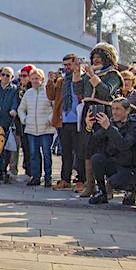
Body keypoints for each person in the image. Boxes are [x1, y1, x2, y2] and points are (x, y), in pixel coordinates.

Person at [73, 43, 123, 198]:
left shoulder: (113, 74)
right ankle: (90, 185)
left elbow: (107, 92)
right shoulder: (89, 74)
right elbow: (78, 91)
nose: (95, 60)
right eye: (93, 57)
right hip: (88, 109)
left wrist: (92, 76)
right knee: (87, 147)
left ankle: (108, 187)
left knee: (105, 148)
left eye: (99, 57)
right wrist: (76, 73)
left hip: (104, 110)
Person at [86, 98, 136, 205]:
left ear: (127, 111)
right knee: (97, 158)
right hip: (115, 164)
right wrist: (89, 128)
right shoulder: (110, 124)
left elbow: (124, 145)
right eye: (113, 109)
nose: (114, 112)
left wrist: (109, 128)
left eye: (118, 109)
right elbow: (91, 147)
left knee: (114, 182)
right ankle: (102, 192)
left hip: (131, 168)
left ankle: (130, 190)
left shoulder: (135, 126)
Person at [47, 54, 82, 191]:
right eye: (65, 65)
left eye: (69, 65)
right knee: (66, 152)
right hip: (64, 120)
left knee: (79, 152)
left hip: (78, 121)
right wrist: (50, 82)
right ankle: (65, 179)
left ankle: (80, 179)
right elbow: (50, 96)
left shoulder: (81, 78)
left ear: (75, 64)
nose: (67, 67)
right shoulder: (62, 81)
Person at [18, 68, 54, 187]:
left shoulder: (48, 92)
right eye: (32, 78)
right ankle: (36, 177)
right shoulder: (28, 93)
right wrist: (24, 119)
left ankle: (48, 177)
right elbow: (21, 109)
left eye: (37, 78)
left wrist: (50, 119)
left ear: (42, 79)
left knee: (47, 154)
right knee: (33, 154)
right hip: (31, 129)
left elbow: (54, 108)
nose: (34, 81)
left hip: (46, 129)